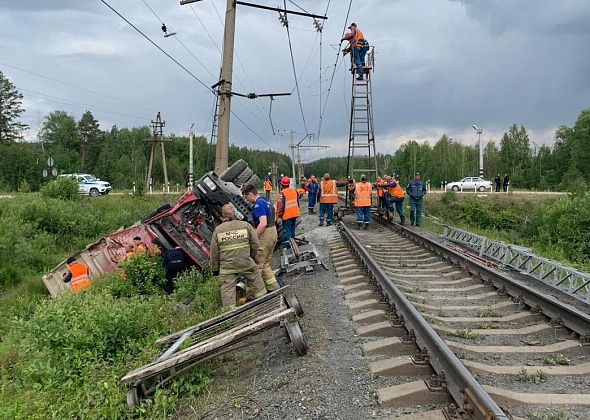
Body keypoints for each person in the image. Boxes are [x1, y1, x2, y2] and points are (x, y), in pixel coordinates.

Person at [210, 204, 267, 309]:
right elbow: (255, 244)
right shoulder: (245, 226)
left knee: (227, 289)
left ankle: (230, 312)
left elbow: (214, 252)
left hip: (227, 267)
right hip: (245, 262)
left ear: (223, 215)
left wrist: (215, 269)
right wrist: (252, 257)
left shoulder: (218, 230)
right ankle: (264, 302)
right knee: (256, 279)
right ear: (235, 213)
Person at [242, 184, 280, 292]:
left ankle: (254, 292)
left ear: (250, 194)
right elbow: (275, 217)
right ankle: (273, 287)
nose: (247, 199)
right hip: (273, 232)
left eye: (246, 197)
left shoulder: (258, 205)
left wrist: (253, 236)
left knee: (257, 264)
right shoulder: (266, 201)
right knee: (266, 263)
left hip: (266, 234)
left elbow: (263, 223)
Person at [276, 176, 300, 249]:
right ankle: (293, 244)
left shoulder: (282, 193)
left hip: (287, 216)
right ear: (289, 184)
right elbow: (297, 202)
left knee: (287, 232)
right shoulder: (294, 191)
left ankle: (288, 247)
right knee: (292, 230)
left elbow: (280, 206)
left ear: (282, 184)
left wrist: (279, 216)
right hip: (295, 213)